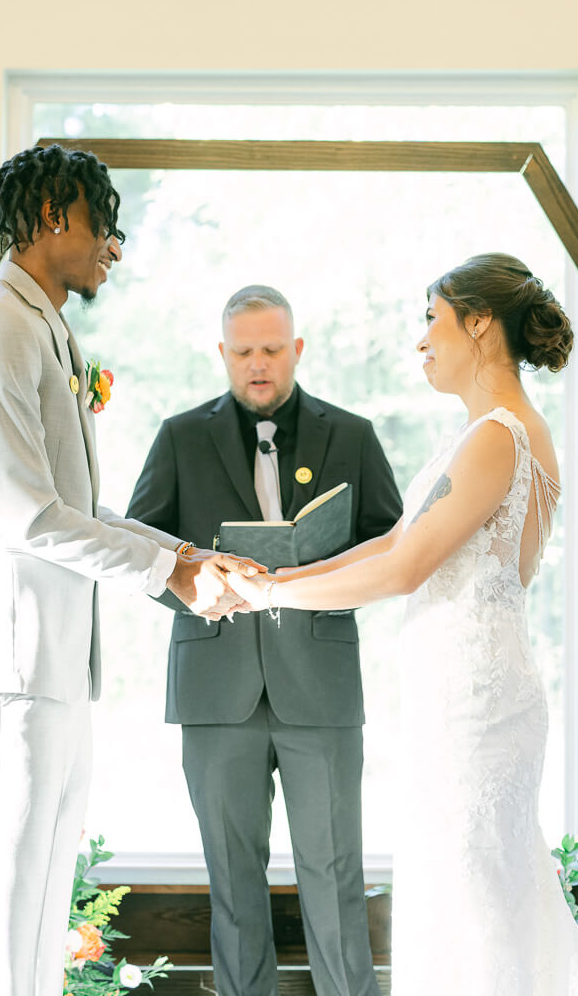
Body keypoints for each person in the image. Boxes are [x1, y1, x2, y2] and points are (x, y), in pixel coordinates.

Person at [0, 144, 256, 996]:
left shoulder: (44, 329)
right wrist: (167, 577)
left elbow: (73, 500)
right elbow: (29, 515)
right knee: (3, 913)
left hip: (50, 665)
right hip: (4, 662)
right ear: (49, 219)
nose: (116, 242)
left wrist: (183, 553)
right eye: (103, 221)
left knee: (38, 907)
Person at [228, 255, 578, 994]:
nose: (421, 341)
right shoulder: (480, 435)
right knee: (469, 890)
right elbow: (396, 541)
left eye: (431, 319)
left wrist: (269, 600)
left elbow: (405, 570)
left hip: (478, 706)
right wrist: (274, 579)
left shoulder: (499, 435)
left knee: (473, 899)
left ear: (477, 323)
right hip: (462, 697)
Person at [127, 284, 402, 996]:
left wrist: (325, 566)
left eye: (272, 350)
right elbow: (138, 551)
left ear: (297, 350)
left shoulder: (355, 434)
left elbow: (396, 551)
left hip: (322, 687)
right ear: (222, 354)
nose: (259, 364)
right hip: (216, 690)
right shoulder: (179, 436)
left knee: (337, 875)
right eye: (244, 351)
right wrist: (197, 584)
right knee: (232, 881)